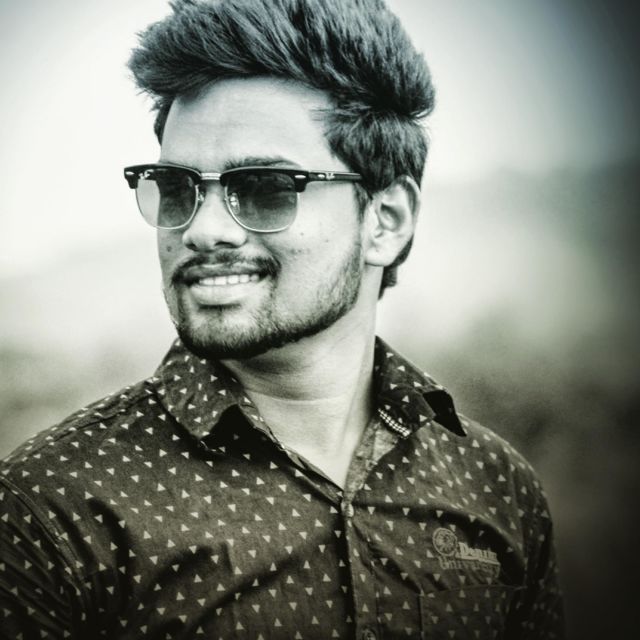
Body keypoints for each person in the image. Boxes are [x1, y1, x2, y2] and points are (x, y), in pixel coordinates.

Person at [0, 0, 564, 638]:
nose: (203, 230)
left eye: (266, 187)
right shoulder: (51, 508)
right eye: (178, 189)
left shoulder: (496, 488)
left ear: (386, 221)